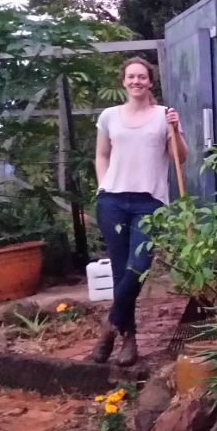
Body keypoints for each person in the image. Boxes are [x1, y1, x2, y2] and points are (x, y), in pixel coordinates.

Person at [88, 56, 188, 366]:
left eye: (141, 77)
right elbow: (101, 156)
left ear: (150, 82)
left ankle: (110, 325)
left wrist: (175, 128)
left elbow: (180, 158)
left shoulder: (164, 116)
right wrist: (104, 187)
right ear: (123, 81)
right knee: (121, 271)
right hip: (113, 202)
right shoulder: (109, 116)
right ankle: (128, 341)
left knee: (138, 267)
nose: (136, 81)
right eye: (131, 76)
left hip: (149, 202)